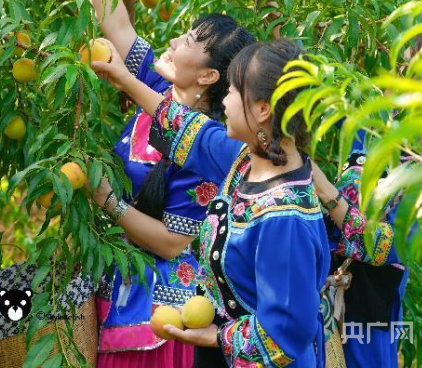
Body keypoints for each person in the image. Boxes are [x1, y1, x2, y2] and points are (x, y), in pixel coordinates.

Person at [67, 0, 271, 368]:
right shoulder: (156, 90)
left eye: (190, 40)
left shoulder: (209, 146)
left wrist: (108, 203)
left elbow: (173, 243)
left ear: (208, 75)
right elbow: (114, 22)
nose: (175, 41)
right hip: (116, 291)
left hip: (162, 316)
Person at [130, 39, 330, 367]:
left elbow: (286, 331)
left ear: (262, 108)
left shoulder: (283, 216)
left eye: (233, 90)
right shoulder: (244, 162)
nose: (224, 98)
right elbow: (187, 132)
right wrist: (124, 78)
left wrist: (214, 337)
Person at [313, 130, 411, 368]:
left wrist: (327, 192)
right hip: (329, 291)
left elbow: (386, 247)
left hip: (371, 305)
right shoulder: (367, 123)